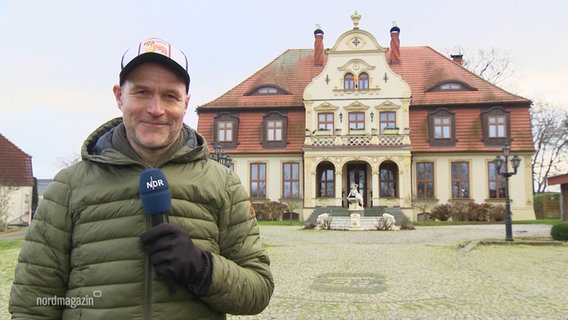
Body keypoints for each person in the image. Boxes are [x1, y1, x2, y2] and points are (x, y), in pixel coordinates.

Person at [9, 38, 274, 319]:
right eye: (142, 92)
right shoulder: (68, 188)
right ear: (119, 96)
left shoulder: (223, 185)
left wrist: (203, 269)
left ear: (185, 103)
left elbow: (258, 290)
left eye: (170, 96)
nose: (156, 109)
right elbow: (34, 303)